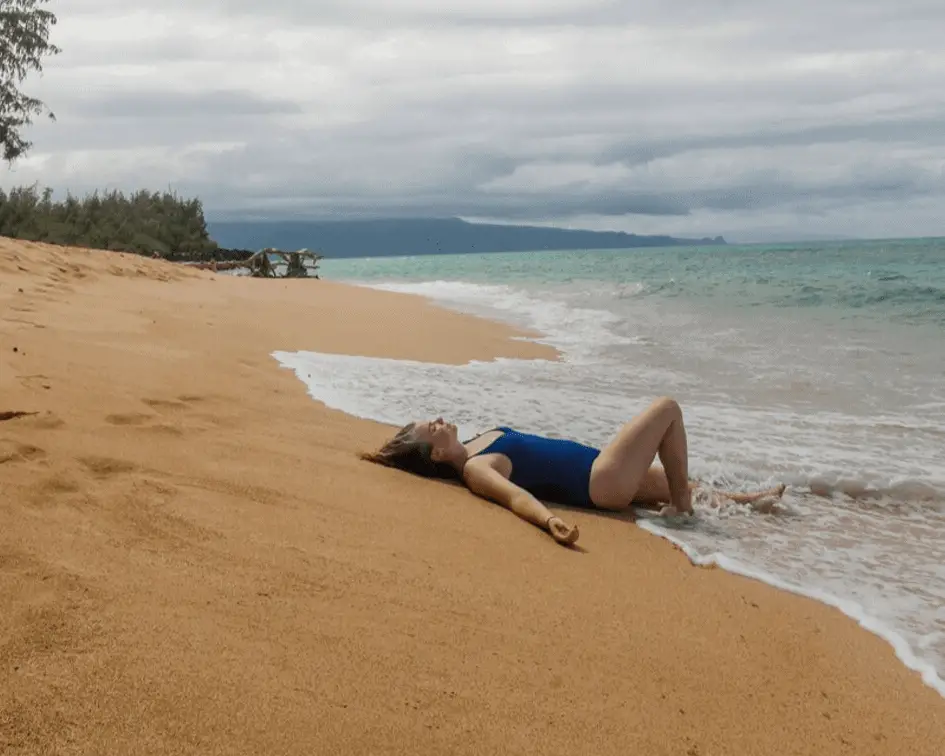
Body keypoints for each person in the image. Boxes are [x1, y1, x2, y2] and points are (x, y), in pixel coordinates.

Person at [361, 396, 785, 546]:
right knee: (667, 409)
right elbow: (516, 498)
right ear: (435, 457)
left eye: (431, 419)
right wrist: (550, 521)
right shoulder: (476, 468)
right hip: (601, 481)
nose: (437, 420)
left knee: (683, 483)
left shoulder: (479, 439)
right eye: (430, 429)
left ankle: (746, 503)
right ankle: (684, 511)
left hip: (603, 470)